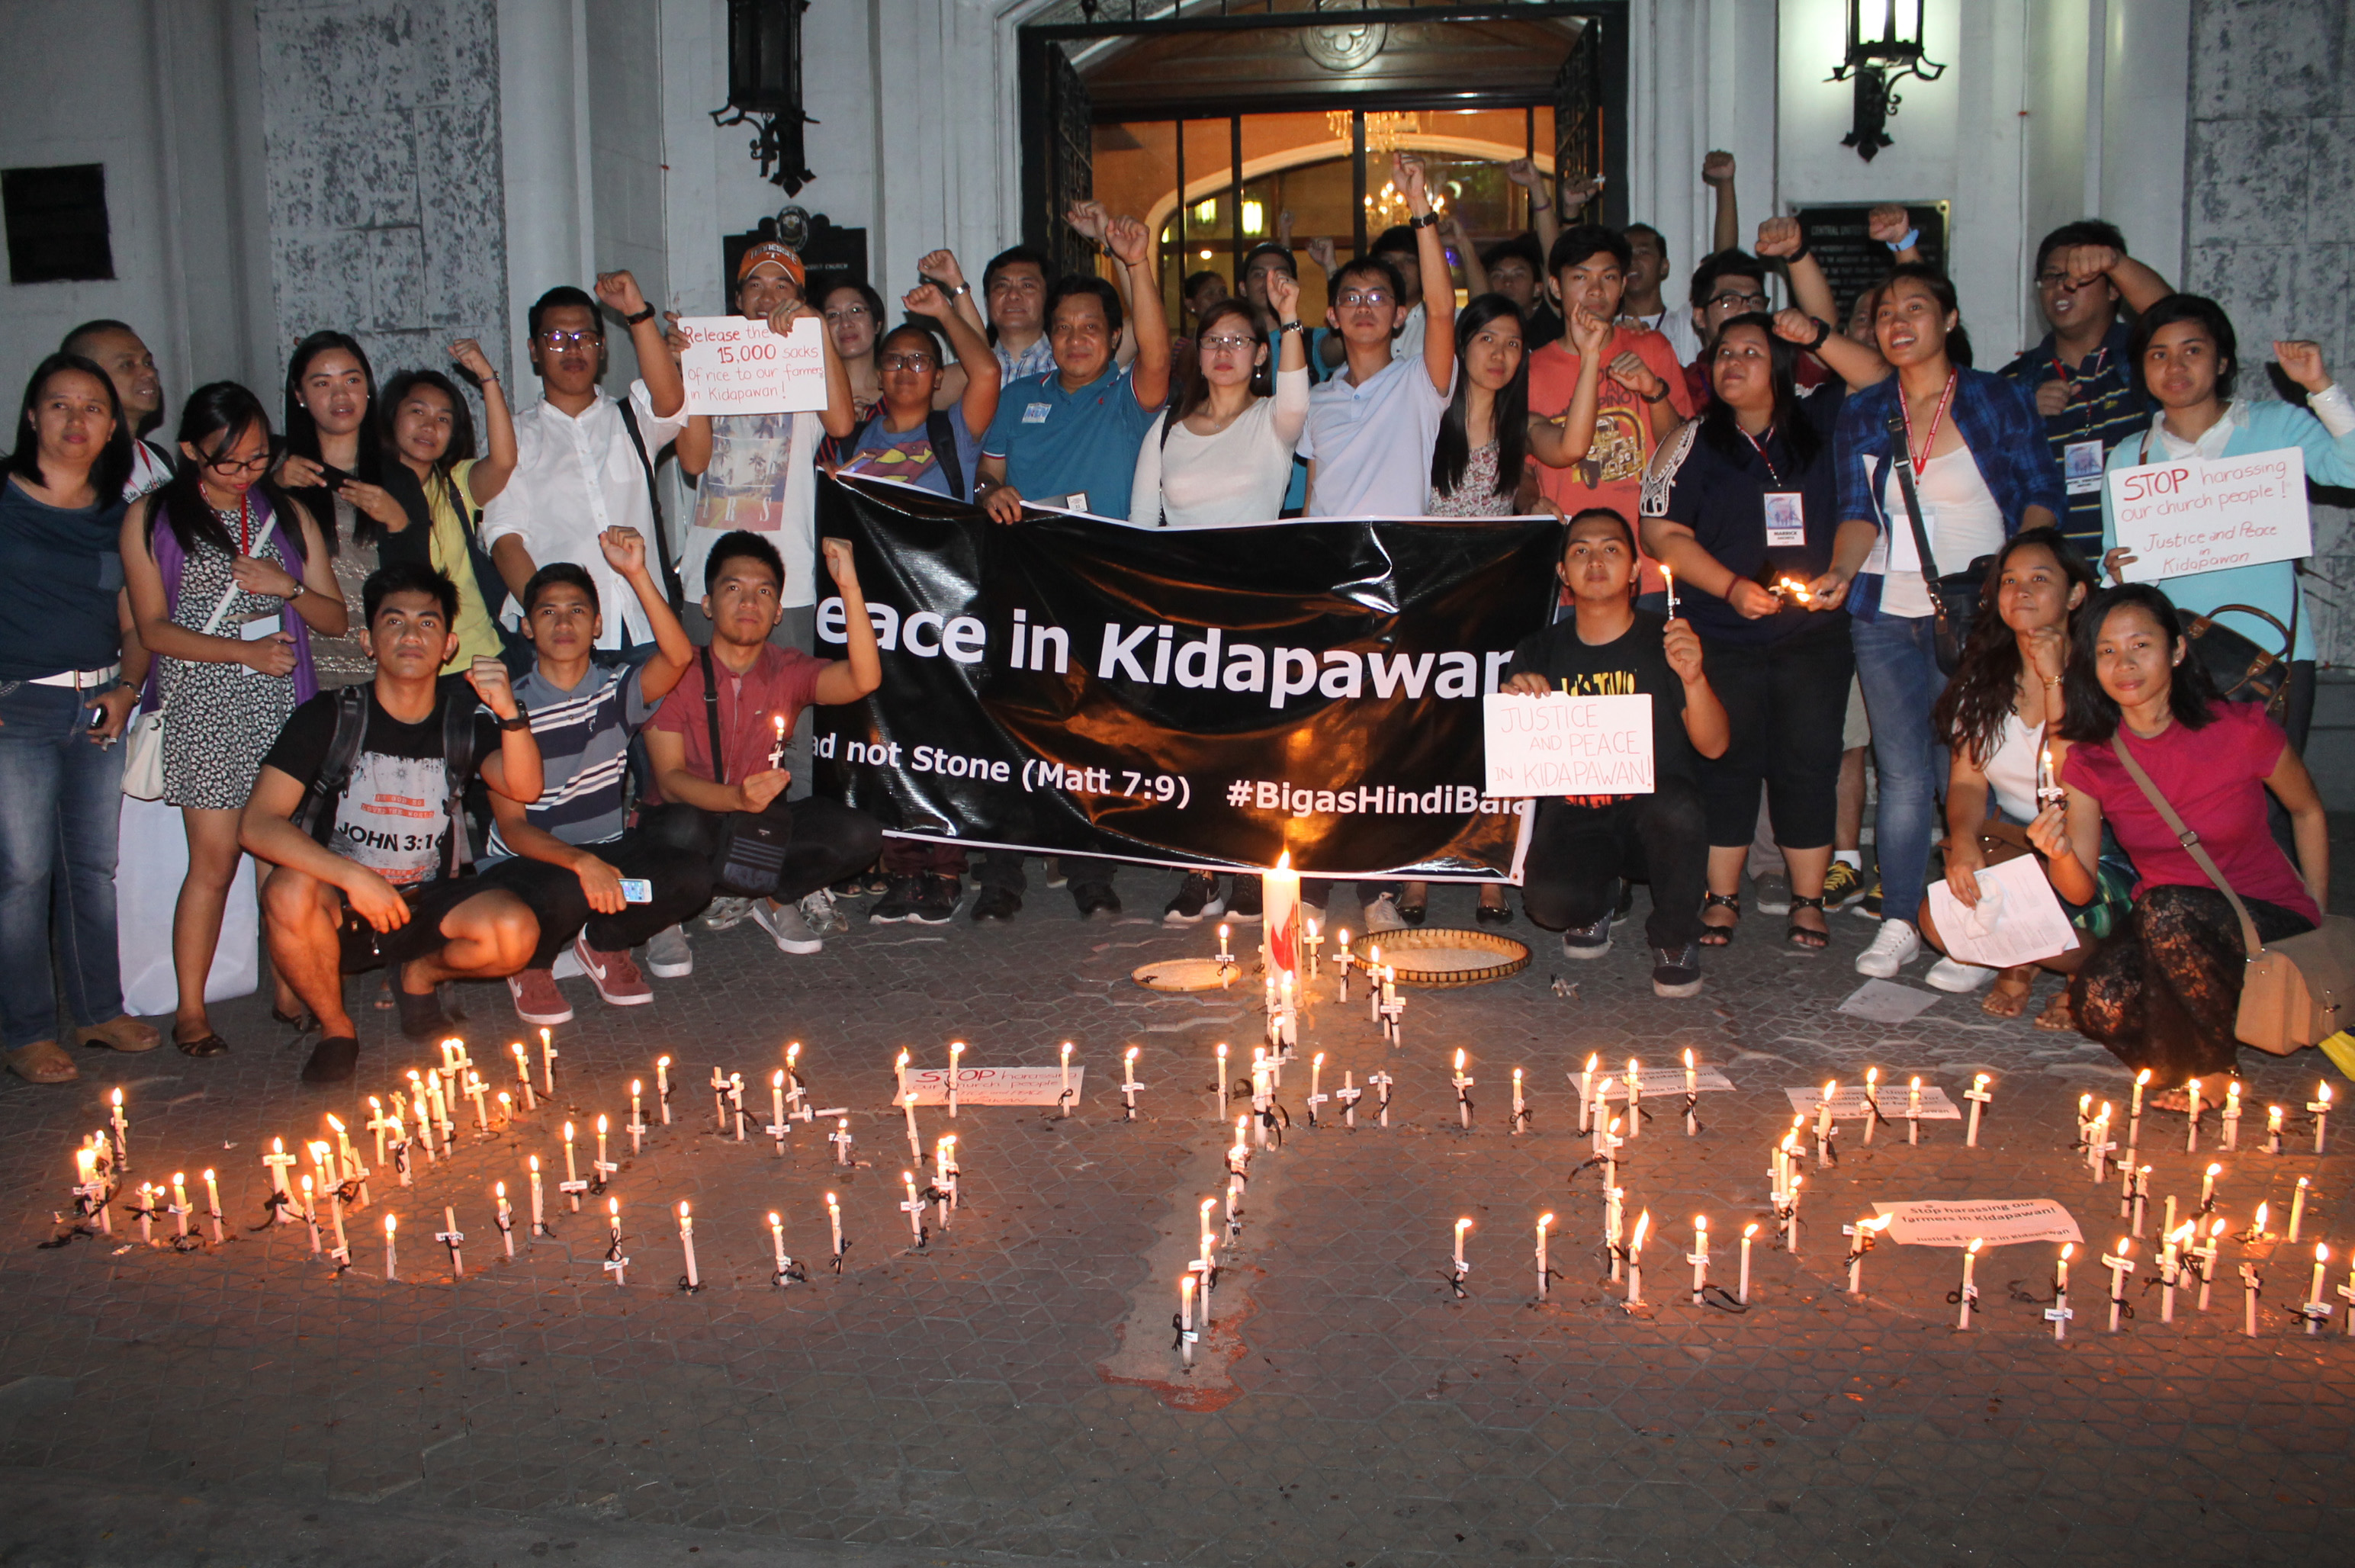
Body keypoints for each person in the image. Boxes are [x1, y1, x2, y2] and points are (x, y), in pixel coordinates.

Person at [1819, 262, 2065, 979]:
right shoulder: (1865, 410)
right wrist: (1838, 572)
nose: (1898, 322)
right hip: (1885, 612)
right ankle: (1899, 919)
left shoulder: (1997, 399)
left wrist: (2023, 585)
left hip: (1982, 614)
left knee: (1977, 769)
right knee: (1900, 775)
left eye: (1916, 308)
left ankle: (1992, 924)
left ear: (1949, 321)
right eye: (1886, 311)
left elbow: (2040, 496)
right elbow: (1857, 513)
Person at [1641, 307, 1885, 953]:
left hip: (1812, 635)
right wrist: (1729, 586)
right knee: (1727, 763)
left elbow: (1881, 381)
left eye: (1750, 352)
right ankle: (1722, 898)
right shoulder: (1692, 440)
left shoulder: (1821, 422)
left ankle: (1808, 900)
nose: (1733, 364)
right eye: (1723, 354)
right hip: (1723, 631)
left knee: (1807, 763)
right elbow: (1659, 531)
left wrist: (1839, 571)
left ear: (1778, 364)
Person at [241, 563, 544, 1084]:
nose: (411, 636)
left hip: (427, 900)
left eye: (427, 624)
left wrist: (510, 716)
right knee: (286, 892)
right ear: (368, 641)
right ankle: (338, 1030)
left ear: (448, 645)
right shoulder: (329, 715)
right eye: (394, 622)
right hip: (344, 902)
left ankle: (419, 975)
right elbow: (257, 825)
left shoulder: (460, 721)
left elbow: (525, 787)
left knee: (516, 934)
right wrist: (352, 876)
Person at [122, 384, 345, 1059]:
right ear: (192, 450)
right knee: (215, 863)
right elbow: (153, 629)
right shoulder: (152, 517)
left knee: (278, 857)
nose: (247, 473)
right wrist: (242, 652)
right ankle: (190, 1010)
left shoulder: (287, 512)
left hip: (284, 707)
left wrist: (291, 589)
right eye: (231, 462)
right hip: (204, 707)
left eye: (258, 457)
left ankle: (289, 987)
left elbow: (334, 619)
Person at [2037, 584, 2327, 1086]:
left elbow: (2307, 811)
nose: (2123, 664)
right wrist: (2056, 852)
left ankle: (2213, 1070)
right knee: (2096, 999)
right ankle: (2196, 1042)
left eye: (2140, 646)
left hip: (2259, 910)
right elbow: (2079, 890)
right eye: (2106, 651)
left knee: (2166, 907)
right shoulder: (2092, 759)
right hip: (2163, 921)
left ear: (2176, 650)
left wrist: (2316, 910)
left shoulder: (2240, 730)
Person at [974, 213, 1173, 921]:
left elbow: (1157, 349)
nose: (1076, 339)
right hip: (1026, 588)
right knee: (1014, 726)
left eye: (1092, 327)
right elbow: (985, 475)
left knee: (1096, 731)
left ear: (1112, 337)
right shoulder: (1018, 397)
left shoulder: (1129, 398)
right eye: (1064, 328)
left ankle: (1092, 868)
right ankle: (1002, 875)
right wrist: (989, 490)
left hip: (1101, 591)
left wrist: (1136, 264)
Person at [2100, 297, 2355, 758]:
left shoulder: (2276, 427)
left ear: (2221, 362)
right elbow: (2114, 564)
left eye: (2192, 350)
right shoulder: (2126, 456)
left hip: (2273, 648)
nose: (2174, 365)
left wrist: (2319, 386)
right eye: (2158, 354)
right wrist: (2114, 572)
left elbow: (2351, 470)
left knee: (2269, 808)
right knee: (2182, 801)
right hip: (2169, 660)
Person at [0, 354, 159, 1083]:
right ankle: (28, 1028)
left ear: (112, 426)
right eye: (59, 405)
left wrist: (129, 686)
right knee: (22, 874)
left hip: (96, 703)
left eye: (92, 408)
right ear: (32, 415)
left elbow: (134, 620)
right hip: (17, 708)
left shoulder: (119, 515)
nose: (75, 421)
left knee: (92, 869)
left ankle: (99, 1012)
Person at [484, 529, 712, 1023]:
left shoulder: (614, 689)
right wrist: (578, 863)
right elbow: (513, 828)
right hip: (531, 872)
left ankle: (601, 944)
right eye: (548, 612)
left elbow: (678, 658)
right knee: (566, 888)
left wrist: (635, 573)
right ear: (526, 627)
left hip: (608, 870)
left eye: (577, 611)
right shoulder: (504, 705)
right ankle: (532, 962)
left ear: (598, 624)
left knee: (687, 878)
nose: (564, 622)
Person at [1503, 507, 1727, 998]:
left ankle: (1674, 937)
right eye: (1580, 551)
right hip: (1577, 814)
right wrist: (1515, 704)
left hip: (1656, 817)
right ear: (1563, 573)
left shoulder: (1667, 642)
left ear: (1634, 571)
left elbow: (1715, 745)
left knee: (1678, 808)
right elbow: (1515, 771)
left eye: (1611, 549)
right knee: (1549, 907)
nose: (1596, 561)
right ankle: (1602, 896)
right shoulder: (1538, 650)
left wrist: (1694, 678)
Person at [643, 531, 885, 955]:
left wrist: (849, 586)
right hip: (690, 823)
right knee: (682, 824)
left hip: (757, 826)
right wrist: (736, 797)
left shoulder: (786, 669)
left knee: (860, 834)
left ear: (777, 613)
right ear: (708, 604)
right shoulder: (678, 672)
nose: (749, 602)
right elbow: (669, 782)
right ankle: (665, 914)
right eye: (733, 588)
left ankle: (774, 896)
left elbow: (864, 679)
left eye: (764, 592)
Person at [1918, 529, 2119, 1018]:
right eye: (2009, 580)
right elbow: (1967, 780)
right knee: (1937, 920)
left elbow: (2072, 774)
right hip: (2019, 841)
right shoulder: (1985, 676)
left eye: (2039, 578)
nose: (2020, 591)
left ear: (2075, 594)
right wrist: (1963, 840)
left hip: (2107, 844)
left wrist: (2054, 679)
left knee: (2063, 920)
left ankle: (2089, 969)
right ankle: (2027, 960)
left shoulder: (2108, 670)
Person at [1393, 294, 1541, 928]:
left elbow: (1572, 448)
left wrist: (1589, 356)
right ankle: (1421, 869)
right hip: (1428, 609)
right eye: (1487, 340)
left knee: (1493, 745)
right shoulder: (1426, 421)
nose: (1499, 355)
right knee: (1426, 743)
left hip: (1494, 614)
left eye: (1512, 344)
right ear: (1462, 345)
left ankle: (1489, 872)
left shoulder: (1523, 431)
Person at [479, 271, 686, 652]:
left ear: (602, 348)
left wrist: (637, 312)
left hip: (641, 626)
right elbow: (505, 540)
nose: (573, 350)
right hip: (560, 637)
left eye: (585, 338)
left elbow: (671, 402)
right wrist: (546, 616)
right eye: (556, 339)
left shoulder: (630, 419)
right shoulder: (515, 436)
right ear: (533, 350)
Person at [1527, 223, 1695, 592]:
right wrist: (1532, 505)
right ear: (1556, 286)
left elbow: (1680, 450)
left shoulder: (1652, 348)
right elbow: (1521, 469)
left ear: (1622, 286)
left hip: (1650, 562)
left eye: (1609, 277)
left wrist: (1654, 392)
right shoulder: (1531, 370)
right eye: (1581, 277)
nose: (1596, 290)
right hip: (1570, 566)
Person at [1997, 223, 2172, 556]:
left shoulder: (2146, 362)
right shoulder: (2014, 382)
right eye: (2051, 277)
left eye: (2080, 277)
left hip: (2141, 568)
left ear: (2114, 289)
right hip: (2054, 583)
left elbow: (2181, 320)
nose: (2062, 287)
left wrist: (2116, 263)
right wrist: (2023, 415)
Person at [1300, 153, 1457, 519]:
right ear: (1333, 317)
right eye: (1351, 298)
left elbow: (1441, 309)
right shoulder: (1317, 398)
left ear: (1400, 314)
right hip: (1330, 564)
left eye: (1377, 297)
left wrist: (1418, 204)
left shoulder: (1421, 382)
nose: (1364, 308)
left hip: (1397, 564)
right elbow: (1312, 500)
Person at [279, 331, 429, 689]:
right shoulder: (277, 471)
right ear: (299, 395)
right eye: (322, 383)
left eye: (351, 379)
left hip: (374, 663)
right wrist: (272, 485)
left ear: (368, 388)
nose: (340, 395)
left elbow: (418, 585)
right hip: (296, 663)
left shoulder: (398, 478)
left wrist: (398, 522)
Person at [1128, 281, 1308, 529]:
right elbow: (1142, 520)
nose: (1223, 351)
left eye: (1237, 340)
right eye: (1212, 340)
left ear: (1260, 355)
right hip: (1179, 566)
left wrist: (1288, 317)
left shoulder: (1273, 421)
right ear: (1199, 355)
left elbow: (1296, 400)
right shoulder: (1168, 425)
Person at [381, 342, 516, 672]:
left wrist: (487, 378)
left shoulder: (454, 483)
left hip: (477, 658)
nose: (430, 427)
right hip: (408, 664)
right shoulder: (371, 490)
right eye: (418, 412)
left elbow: (503, 462)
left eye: (444, 419)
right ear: (393, 415)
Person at [834, 281, 1003, 501]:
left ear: (937, 377)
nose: (905, 368)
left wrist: (944, 312)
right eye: (894, 359)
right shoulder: (853, 441)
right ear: (880, 377)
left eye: (918, 360)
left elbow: (988, 372)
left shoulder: (955, 431)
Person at [60, 320, 172, 496]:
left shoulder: (158, 457)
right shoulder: (78, 474)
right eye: (127, 365)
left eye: (148, 363)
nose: (150, 373)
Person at [982, 245, 1057, 384]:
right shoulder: (968, 371)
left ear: (1048, 299)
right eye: (1002, 286)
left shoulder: (1066, 367)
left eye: (1027, 286)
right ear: (987, 302)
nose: (1013, 295)